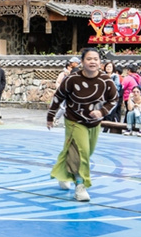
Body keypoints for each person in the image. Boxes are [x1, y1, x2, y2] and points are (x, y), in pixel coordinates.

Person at [47, 47, 118, 202]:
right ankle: (80, 186)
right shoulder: (72, 79)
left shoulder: (106, 81)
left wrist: (102, 112)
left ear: (100, 62)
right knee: (82, 152)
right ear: (82, 62)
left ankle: (65, 172)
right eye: (89, 59)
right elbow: (58, 96)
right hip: (74, 120)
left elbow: (114, 99)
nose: (92, 62)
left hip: (94, 123)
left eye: (96, 59)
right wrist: (51, 115)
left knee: (86, 152)